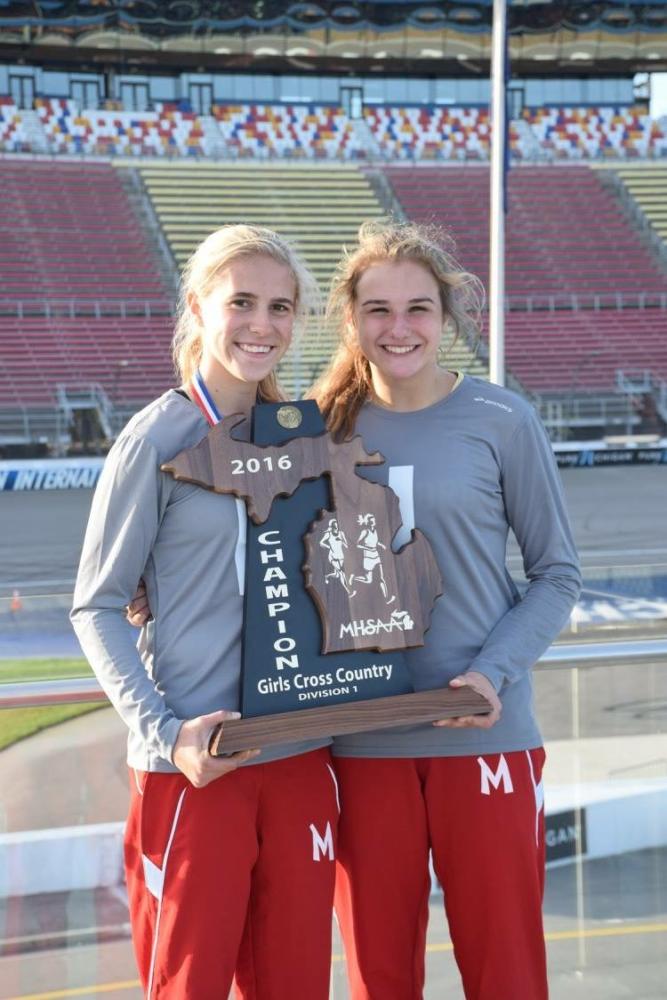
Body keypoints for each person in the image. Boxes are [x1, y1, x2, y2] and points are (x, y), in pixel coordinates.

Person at [310, 219, 582, 1000]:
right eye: (379, 310)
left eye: (418, 309)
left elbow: (556, 573)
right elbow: (270, 569)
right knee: (377, 977)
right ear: (351, 319)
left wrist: (491, 673)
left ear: (447, 315)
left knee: (505, 973)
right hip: (362, 744)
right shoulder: (315, 431)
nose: (398, 329)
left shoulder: (501, 420)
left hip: (484, 737)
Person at [71, 225, 340, 1000]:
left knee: (293, 985)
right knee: (188, 987)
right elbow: (93, 605)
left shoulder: (305, 438)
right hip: (197, 765)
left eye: (281, 307)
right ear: (198, 306)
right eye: (242, 302)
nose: (262, 325)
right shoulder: (156, 436)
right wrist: (167, 734)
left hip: (298, 754)